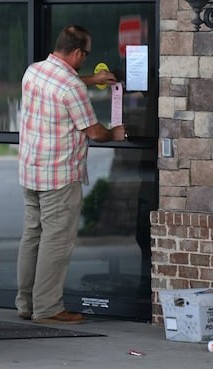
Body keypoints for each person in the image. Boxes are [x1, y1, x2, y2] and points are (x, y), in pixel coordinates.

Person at [15, 25, 126, 325]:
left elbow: (65, 83)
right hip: (59, 178)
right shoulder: (72, 88)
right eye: (85, 55)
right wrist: (115, 132)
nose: (85, 60)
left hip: (30, 172)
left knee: (32, 237)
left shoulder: (34, 71)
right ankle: (48, 308)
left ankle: (25, 303)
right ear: (77, 53)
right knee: (56, 241)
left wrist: (95, 79)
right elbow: (94, 131)